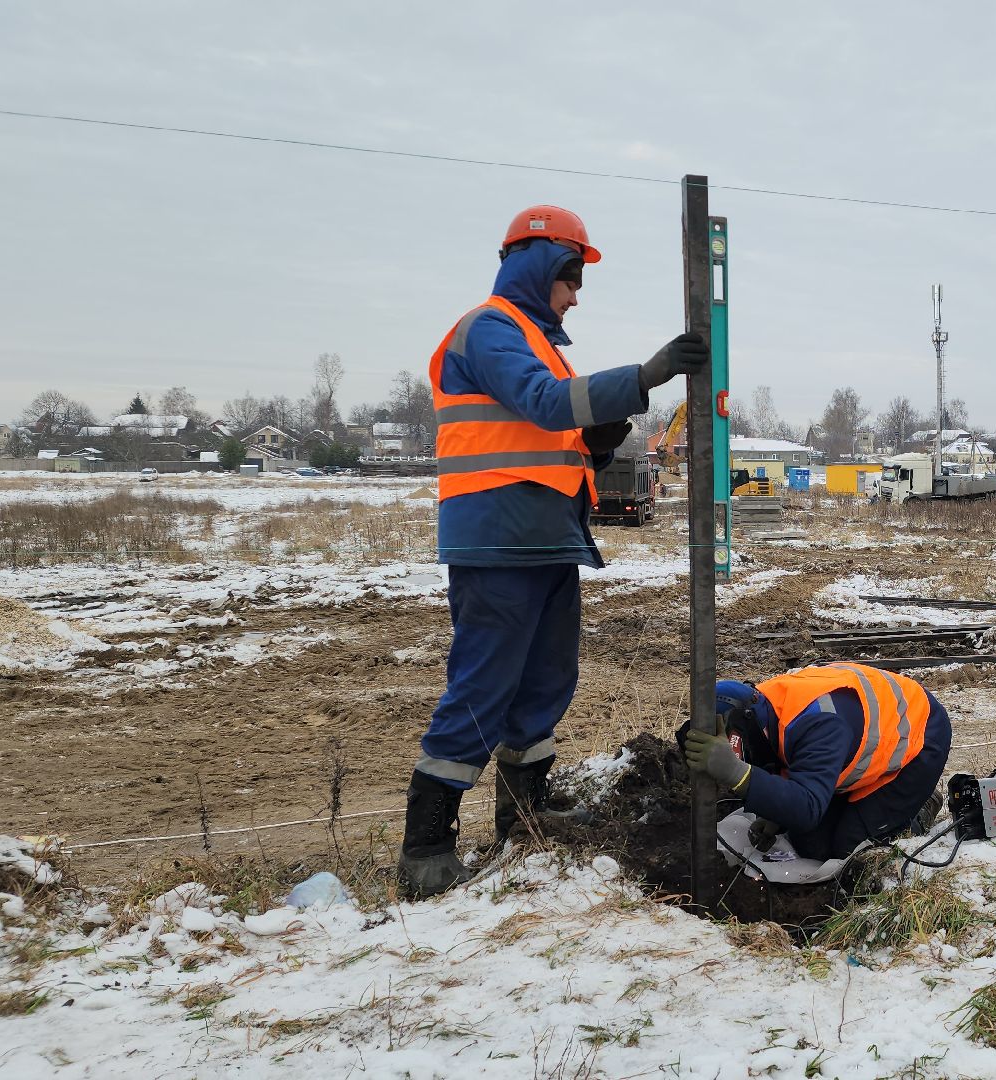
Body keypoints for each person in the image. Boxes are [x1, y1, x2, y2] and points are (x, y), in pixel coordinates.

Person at [399, 205, 708, 900]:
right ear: (539, 266)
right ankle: (426, 844)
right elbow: (542, 404)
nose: (576, 293)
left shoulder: (538, 340)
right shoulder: (491, 329)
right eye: (571, 277)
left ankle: (525, 815)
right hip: (497, 537)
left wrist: (593, 443)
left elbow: (546, 432)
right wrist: (647, 374)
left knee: (545, 680)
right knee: (483, 684)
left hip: (544, 537)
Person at [680, 663, 951, 860]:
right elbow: (782, 759)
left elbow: (807, 807)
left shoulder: (819, 724)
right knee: (810, 844)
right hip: (858, 740)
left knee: (848, 850)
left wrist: (737, 774)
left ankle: (918, 811)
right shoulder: (761, 709)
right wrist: (778, 815)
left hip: (919, 738)